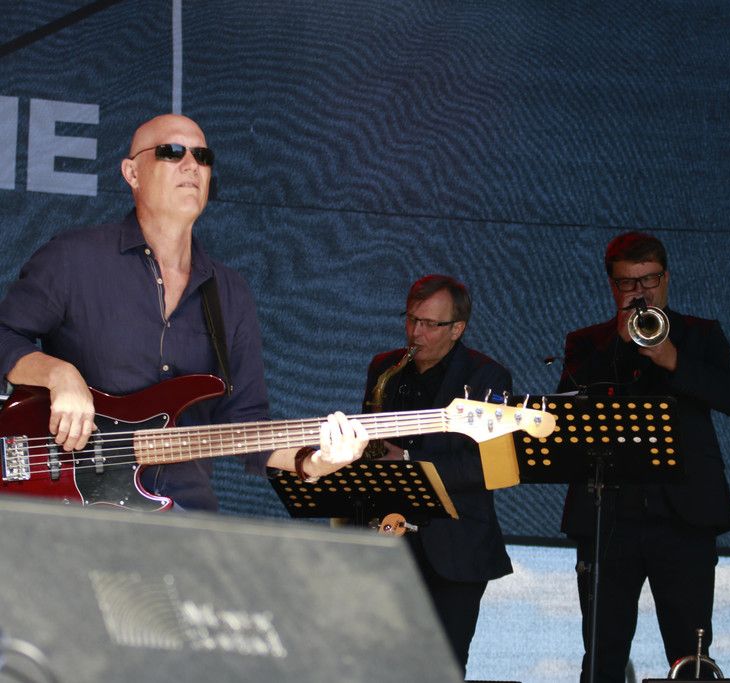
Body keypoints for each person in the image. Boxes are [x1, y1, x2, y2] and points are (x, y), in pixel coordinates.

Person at [0, 114, 367, 511]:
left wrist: (314, 462)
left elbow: (246, 423)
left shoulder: (228, 292)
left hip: (182, 515)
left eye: (202, 156)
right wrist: (58, 374)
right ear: (132, 173)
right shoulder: (74, 258)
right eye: (172, 152)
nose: (192, 165)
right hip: (74, 513)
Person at [558, 231, 730, 682]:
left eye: (649, 279)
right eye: (628, 282)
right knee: (602, 651)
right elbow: (566, 406)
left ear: (666, 278)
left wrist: (672, 358)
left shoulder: (701, 334)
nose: (640, 291)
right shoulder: (587, 342)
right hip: (608, 516)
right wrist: (618, 343)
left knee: (691, 655)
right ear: (613, 286)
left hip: (686, 515)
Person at [362, 274, 512, 673]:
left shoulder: (487, 377)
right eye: (412, 319)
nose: (416, 333)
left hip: (455, 546)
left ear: (457, 329)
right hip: (390, 540)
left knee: (443, 667)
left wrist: (408, 459)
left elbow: (485, 466)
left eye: (430, 324)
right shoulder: (384, 368)